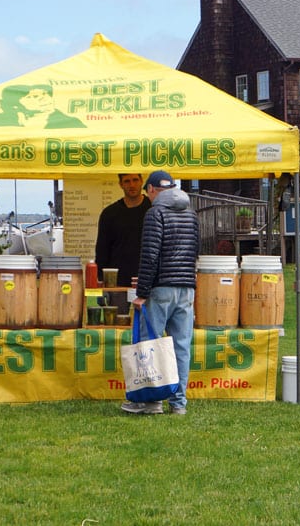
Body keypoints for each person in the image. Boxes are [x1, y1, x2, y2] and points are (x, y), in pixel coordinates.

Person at [122, 170, 200, 415]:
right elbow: (194, 251)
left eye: (148, 192)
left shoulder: (155, 213)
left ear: (153, 190)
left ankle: (151, 401)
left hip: (161, 288)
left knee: (151, 344)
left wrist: (142, 292)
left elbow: (150, 256)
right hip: (186, 289)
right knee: (181, 346)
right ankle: (178, 404)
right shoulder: (191, 213)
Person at [95, 174, 152, 287]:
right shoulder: (110, 213)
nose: (132, 185)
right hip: (117, 281)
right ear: (121, 184)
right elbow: (102, 250)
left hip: (149, 279)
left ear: (141, 181)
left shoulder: (154, 209)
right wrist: (101, 278)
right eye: (127, 181)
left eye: (135, 180)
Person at [0, 83, 85, 129]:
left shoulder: (71, 123)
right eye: (34, 96)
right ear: (15, 103)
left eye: (46, 94)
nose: (45, 98)